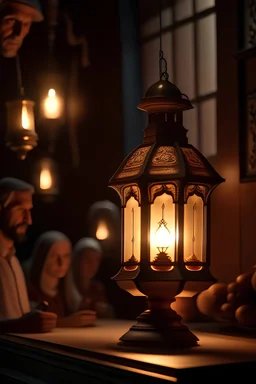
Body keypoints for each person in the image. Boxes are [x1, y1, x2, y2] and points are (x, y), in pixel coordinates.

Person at [0, 177, 57, 333]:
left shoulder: (12, 259)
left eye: (29, 211)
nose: (29, 220)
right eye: (20, 210)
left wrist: (34, 313)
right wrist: (21, 325)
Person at [26, 230, 97, 327]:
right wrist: (67, 322)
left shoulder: (64, 293)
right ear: (42, 257)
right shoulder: (29, 292)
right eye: (54, 256)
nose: (61, 263)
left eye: (66, 256)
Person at [72, 237, 114, 318]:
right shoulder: (66, 288)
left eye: (97, 260)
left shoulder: (97, 288)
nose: (92, 265)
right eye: (88, 259)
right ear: (76, 260)